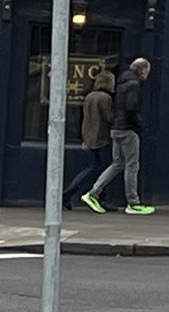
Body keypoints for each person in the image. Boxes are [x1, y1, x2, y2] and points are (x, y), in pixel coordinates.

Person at [82, 57, 154, 216]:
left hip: (116, 129)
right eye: (147, 71)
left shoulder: (121, 83)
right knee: (132, 165)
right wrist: (139, 127)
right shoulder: (134, 85)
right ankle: (133, 203)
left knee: (118, 163)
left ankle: (93, 193)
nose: (147, 75)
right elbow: (131, 108)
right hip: (128, 129)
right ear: (142, 70)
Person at [64, 68, 114, 205]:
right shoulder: (106, 98)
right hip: (101, 137)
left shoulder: (89, 96)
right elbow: (108, 118)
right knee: (100, 168)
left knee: (94, 167)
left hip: (88, 136)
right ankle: (75, 192)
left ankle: (73, 191)